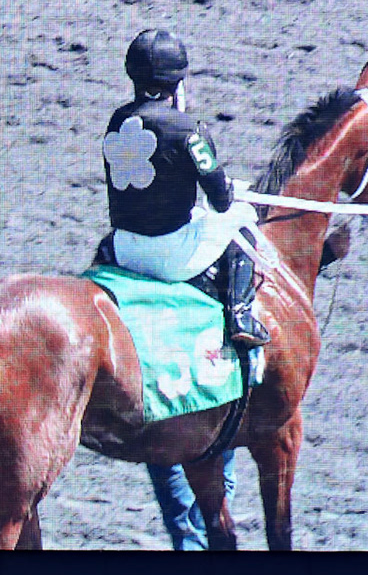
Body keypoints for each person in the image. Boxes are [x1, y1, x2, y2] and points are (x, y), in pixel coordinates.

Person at [102, 29, 270, 348]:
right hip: (170, 255)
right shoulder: (188, 130)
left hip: (124, 249)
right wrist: (230, 192)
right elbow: (221, 201)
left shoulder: (116, 120)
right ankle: (241, 315)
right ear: (178, 82)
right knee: (244, 219)